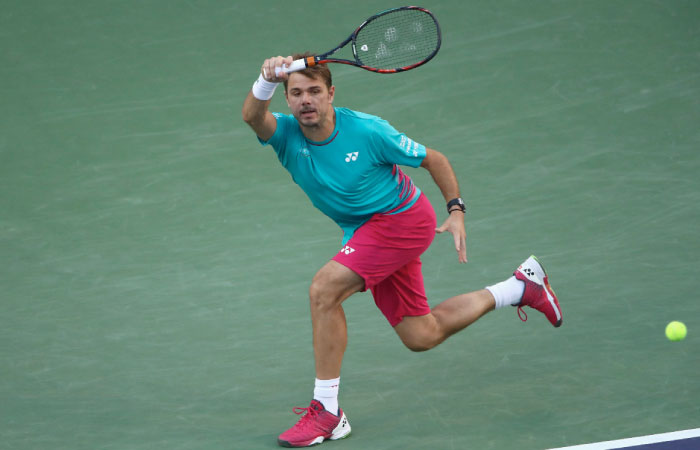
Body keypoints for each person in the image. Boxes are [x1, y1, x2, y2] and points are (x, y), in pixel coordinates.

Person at [241, 53, 563, 448]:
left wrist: (456, 210)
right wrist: (265, 79)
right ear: (287, 100)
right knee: (421, 334)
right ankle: (520, 288)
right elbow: (253, 116)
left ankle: (327, 412)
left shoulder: (368, 131)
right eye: (295, 93)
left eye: (314, 91)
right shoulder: (286, 133)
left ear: (330, 94)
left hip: (402, 221)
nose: (305, 100)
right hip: (363, 231)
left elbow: (434, 159)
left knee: (324, 290)